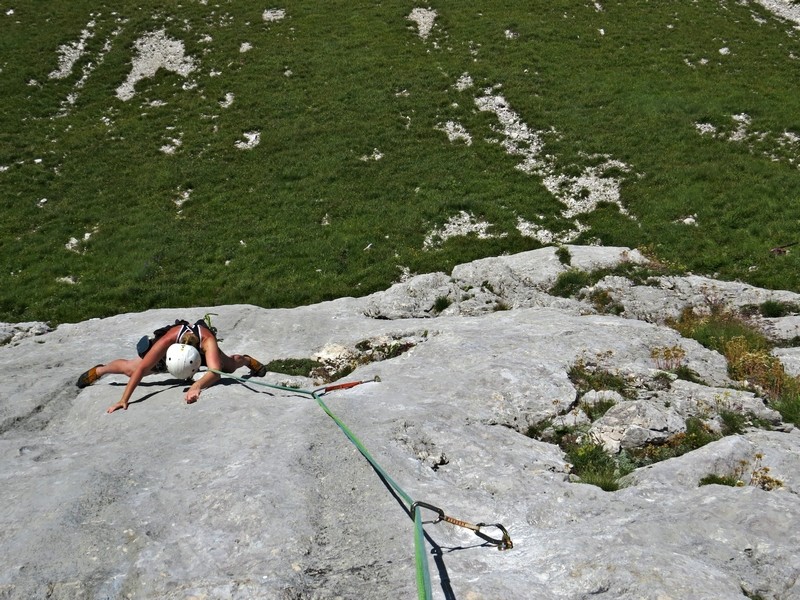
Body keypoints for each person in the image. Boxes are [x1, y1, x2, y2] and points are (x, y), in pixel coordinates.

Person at [75, 318, 267, 413]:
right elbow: (141, 370)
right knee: (130, 369)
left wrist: (196, 386)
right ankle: (100, 370)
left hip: (197, 349)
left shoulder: (207, 342)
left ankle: (248, 360)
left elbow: (215, 373)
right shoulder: (168, 340)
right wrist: (124, 399)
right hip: (173, 348)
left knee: (229, 366)